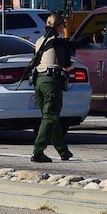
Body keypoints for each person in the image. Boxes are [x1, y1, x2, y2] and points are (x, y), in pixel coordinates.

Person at [30, 12, 74, 163]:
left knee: (50, 118)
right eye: (63, 26)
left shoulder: (39, 41)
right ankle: (38, 151)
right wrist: (72, 65)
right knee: (50, 117)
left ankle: (63, 151)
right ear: (59, 26)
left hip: (39, 81)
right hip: (51, 82)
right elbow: (66, 66)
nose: (64, 29)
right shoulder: (58, 42)